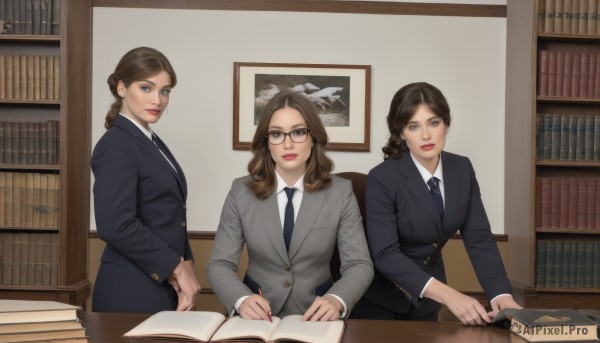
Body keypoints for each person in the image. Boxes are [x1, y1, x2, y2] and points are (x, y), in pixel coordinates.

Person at [350, 82, 521, 325]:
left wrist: (501, 294)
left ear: (446, 124)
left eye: (433, 122)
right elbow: (385, 254)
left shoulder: (462, 169)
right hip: (380, 302)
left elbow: (479, 238)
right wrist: (450, 295)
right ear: (400, 132)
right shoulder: (383, 177)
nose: (426, 135)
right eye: (413, 126)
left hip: (428, 303)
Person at [207, 90, 373, 321]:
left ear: (313, 137)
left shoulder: (340, 192)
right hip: (255, 317)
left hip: (317, 317)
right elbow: (219, 264)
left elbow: (359, 264)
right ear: (266, 141)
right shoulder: (241, 191)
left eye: (298, 132)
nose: (287, 144)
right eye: (276, 134)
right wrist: (242, 300)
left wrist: (337, 299)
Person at [91, 47, 200, 313]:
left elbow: (171, 214)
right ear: (121, 88)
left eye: (165, 91)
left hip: (163, 282)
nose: (158, 100)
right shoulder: (116, 144)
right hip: (130, 290)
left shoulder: (148, 140)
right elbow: (116, 224)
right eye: (146, 88)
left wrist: (186, 265)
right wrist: (175, 267)